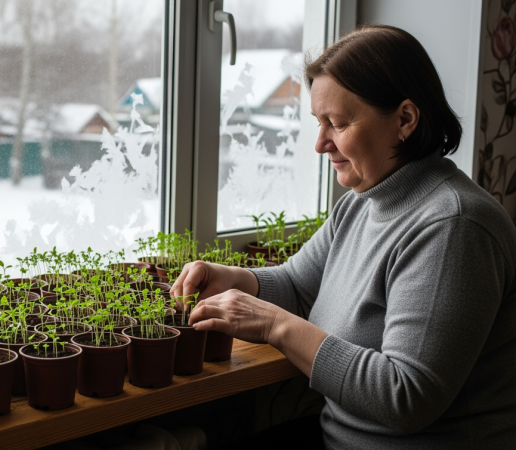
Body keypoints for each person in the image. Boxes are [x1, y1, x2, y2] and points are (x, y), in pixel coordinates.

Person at [172, 25, 516, 449]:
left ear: (405, 119)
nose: (320, 144)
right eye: (319, 123)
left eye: (336, 123)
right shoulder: (362, 202)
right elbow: (299, 286)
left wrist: (275, 325)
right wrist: (231, 277)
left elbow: (405, 397)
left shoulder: (454, 226)